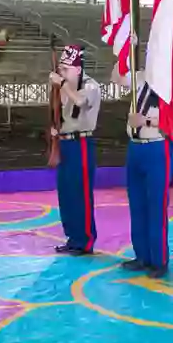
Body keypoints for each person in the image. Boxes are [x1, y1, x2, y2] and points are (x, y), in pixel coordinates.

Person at [114, 60, 173, 278]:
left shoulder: (172, 85)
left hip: (157, 147)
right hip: (135, 148)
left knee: (156, 205)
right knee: (137, 203)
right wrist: (123, 52)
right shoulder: (141, 77)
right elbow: (116, 77)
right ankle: (141, 255)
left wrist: (146, 121)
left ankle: (158, 259)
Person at [49, 45, 101, 255]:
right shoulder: (62, 86)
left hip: (81, 143)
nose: (61, 72)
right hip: (65, 142)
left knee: (81, 193)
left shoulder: (90, 86)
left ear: (77, 69)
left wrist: (61, 84)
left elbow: (79, 100)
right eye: (60, 68)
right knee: (66, 193)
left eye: (65, 68)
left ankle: (85, 240)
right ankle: (72, 237)